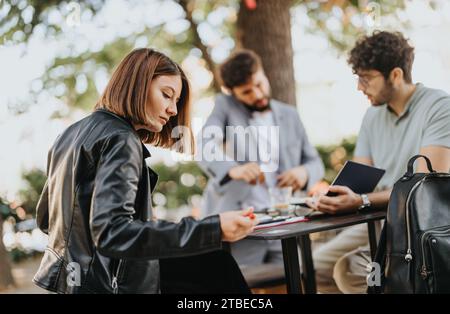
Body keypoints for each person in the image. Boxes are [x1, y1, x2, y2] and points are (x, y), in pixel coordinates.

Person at [33, 48, 257, 294]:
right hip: (111, 285)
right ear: (137, 85)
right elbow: (112, 233)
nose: (173, 109)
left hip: (75, 282)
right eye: (166, 95)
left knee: (212, 262)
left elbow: (47, 219)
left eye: (176, 101)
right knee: (218, 265)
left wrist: (144, 225)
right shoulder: (121, 139)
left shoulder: (69, 134)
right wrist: (214, 228)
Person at [308, 31, 450, 293]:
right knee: (314, 266)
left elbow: (424, 191)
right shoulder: (372, 116)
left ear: (395, 75)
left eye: (367, 78)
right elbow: (362, 179)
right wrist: (335, 196)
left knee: (348, 269)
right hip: (380, 219)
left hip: (419, 226)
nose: (360, 87)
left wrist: (361, 200)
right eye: (358, 78)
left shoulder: (439, 106)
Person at [196, 49, 324, 267]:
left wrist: (304, 172)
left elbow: (315, 162)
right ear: (233, 93)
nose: (256, 94)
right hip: (239, 224)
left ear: (263, 73)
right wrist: (231, 169)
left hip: (283, 221)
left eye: (259, 84)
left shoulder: (290, 114)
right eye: (246, 92)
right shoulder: (224, 106)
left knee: (291, 282)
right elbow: (204, 144)